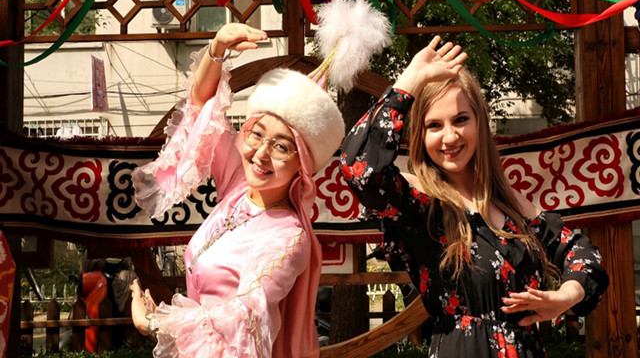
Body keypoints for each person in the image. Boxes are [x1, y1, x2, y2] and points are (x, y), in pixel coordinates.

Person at [339, 36, 609, 357]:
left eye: (461, 119)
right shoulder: (419, 202)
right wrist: (410, 80)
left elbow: (580, 251)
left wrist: (567, 295)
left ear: (480, 122)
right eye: (434, 125)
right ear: (419, 136)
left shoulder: (509, 203)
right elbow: (359, 168)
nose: (450, 136)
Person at [129, 23, 345, 358]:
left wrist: (153, 323)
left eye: (281, 146)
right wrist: (217, 47)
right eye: (257, 134)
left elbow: (242, 315)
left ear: (302, 164)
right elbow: (203, 106)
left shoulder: (289, 239)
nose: (261, 153)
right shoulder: (237, 186)